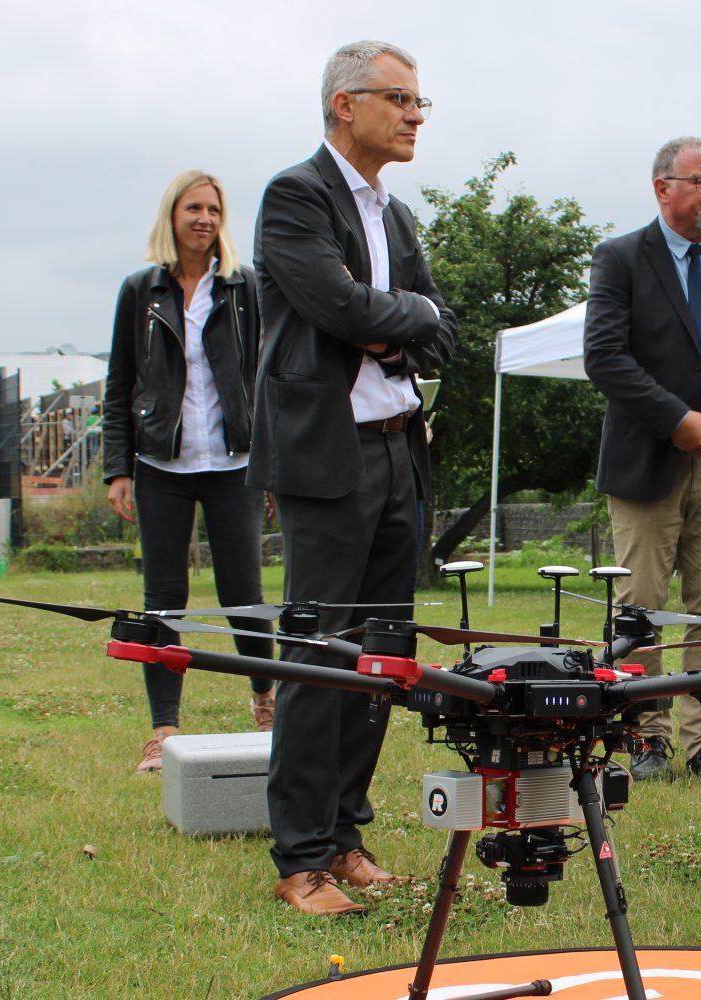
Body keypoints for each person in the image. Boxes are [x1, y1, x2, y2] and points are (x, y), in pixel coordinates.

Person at [250, 40, 457, 916]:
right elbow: (335, 306)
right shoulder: (295, 197)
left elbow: (437, 327)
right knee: (320, 654)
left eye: (421, 104)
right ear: (346, 105)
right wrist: (388, 320)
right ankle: (298, 857)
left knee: (382, 658)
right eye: (401, 99)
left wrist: (393, 324)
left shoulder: (396, 215)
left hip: (396, 449)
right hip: (326, 455)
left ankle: (344, 835)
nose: (416, 115)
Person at [582, 136, 701, 785]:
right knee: (641, 606)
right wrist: (673, 418)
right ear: (664, 189)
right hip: (648, 460)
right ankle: (644, 736)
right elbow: (605, 356)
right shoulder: (623, 257)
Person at [101, 170, 277, 773]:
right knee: (163, 602)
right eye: (193, 208)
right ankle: (163, 731)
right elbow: (119, 383)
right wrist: (116, 469)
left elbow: (265, 375)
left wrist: (274, 460)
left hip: (235, 462)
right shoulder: (140, 291)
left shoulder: (243, 287)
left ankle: (265, 699)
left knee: (244, 597)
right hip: (160, 464)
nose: (204, 218)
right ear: (171, 216)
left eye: (213, 209)